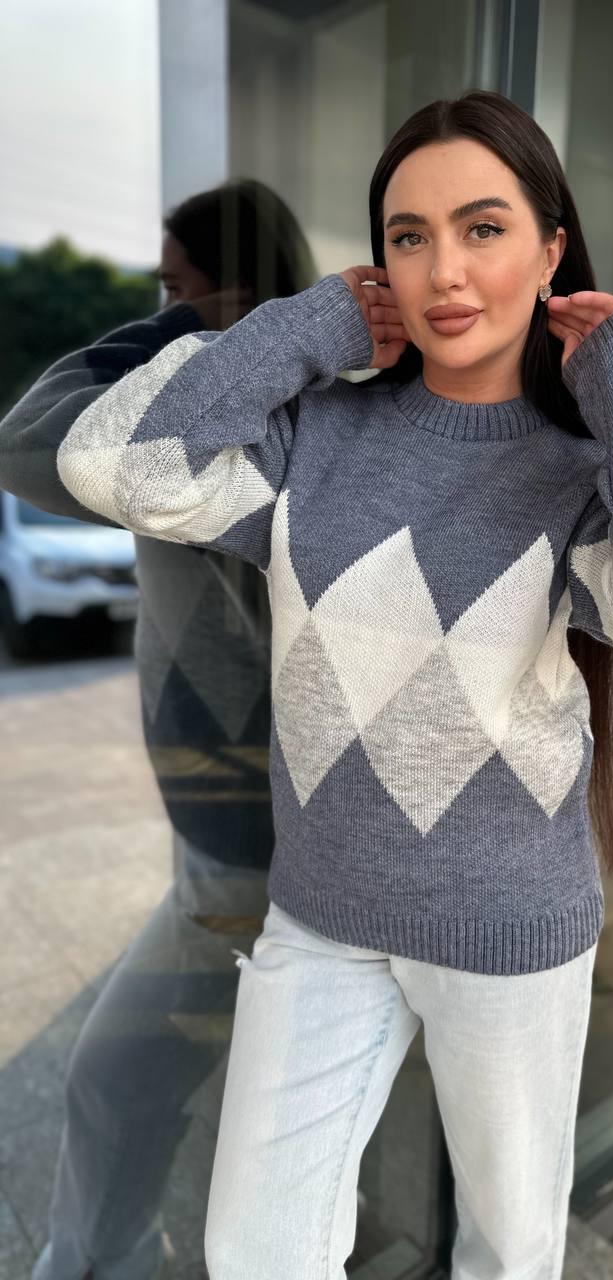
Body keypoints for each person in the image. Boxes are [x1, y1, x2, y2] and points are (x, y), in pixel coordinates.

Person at [53, 91, 613, 1279]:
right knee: (254, 1250)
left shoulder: (581, 472)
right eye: (408, 235)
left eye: (484, 228)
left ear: (551, 250)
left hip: (509, 928)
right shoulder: (314, 437)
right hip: (319, 918)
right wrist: (309, 326)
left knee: (509, 1250)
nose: (443, 269)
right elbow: (110, 461)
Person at [0, 178, 316, 1280]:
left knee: (118, 1079)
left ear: (232, 293)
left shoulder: (215, 422)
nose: (163, 308)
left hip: (245, 839)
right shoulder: (230, 404)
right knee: (190, 1088)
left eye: (178, 286)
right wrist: (231, 323)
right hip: (229, 825)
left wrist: (198, 330)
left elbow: (25, 441)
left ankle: (97, 1266)